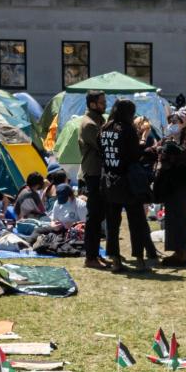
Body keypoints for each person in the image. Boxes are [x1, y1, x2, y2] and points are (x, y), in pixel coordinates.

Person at [98, 99, 159, 266]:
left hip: (109, 179)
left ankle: (115, 258)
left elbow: (100, 151)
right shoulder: (127, 130)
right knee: (136, 221)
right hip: (128, 181)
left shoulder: (104, 129)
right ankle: (139, 258)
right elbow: (134, 155)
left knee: (112, 222)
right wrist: (145, 144)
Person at [154, 112, 186, 268]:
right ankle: (180, 251)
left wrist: (168, 153)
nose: (173, 123)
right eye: (171, 120)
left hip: (181, 186)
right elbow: (157, 151)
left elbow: (182, 160)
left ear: (184, 123)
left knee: (180, 219)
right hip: (168, 185)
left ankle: (182, 253)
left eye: (176, 121)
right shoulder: (166, 139)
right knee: (171, 220)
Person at [77, 91, 110, 269]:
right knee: (94, 216)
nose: (104, 104)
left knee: (98, 216)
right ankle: (90, 257)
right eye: (102, 102)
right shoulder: (89, 124)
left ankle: (96, 253)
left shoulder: (98, 121)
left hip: (99, 172)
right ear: (92, 104)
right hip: (93, 172)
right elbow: (103, 145)